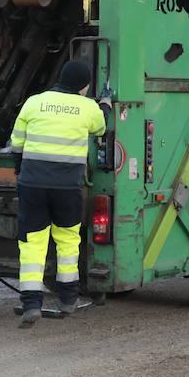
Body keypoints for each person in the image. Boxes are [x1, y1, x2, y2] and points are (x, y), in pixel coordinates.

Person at [8, 60, 111, 328]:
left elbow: (16, 142)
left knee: (32, 244)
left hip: (33, 185)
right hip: (66, 188)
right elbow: (101, 127)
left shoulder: (34, 102)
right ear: (84, 86)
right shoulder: (88, 107)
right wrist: (106, 106)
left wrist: (20, 171)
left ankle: (31, 304)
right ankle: (68, 299)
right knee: (67, 242)